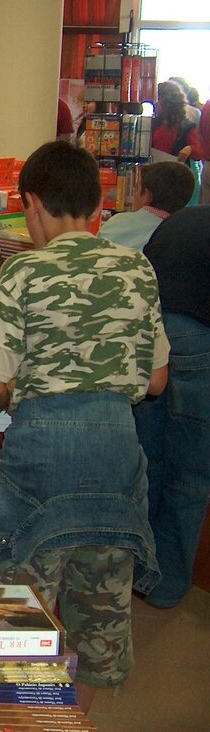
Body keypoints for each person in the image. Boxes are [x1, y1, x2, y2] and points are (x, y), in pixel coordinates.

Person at [0, 140, 169, 709]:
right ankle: (80, 717)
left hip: (40, 456)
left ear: (31, 203)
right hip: (117, 454)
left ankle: (15, 714)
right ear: (98, 206)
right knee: (102, 606)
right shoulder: (136, 267)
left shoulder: (23, 271)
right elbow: (155, 382)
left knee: (14, 609)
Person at [134, 205, 210, 610]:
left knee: (149, 460)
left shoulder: (182, 219)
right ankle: (168, 583)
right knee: (192, 471)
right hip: (200, 340)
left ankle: (137, 568)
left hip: (153, 339)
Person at [98, 161, 195, 251]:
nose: (134, 194)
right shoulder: (186, 236)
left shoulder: (119, 223)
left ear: (147, 196)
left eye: (136, 188)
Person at [151, 81, 202, 165]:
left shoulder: (186, 126)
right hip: (153, 170)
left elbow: (199, 153)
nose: (155, 105)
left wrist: (190, 148)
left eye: (157, 101)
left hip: (176, 173)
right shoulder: (153, 123)